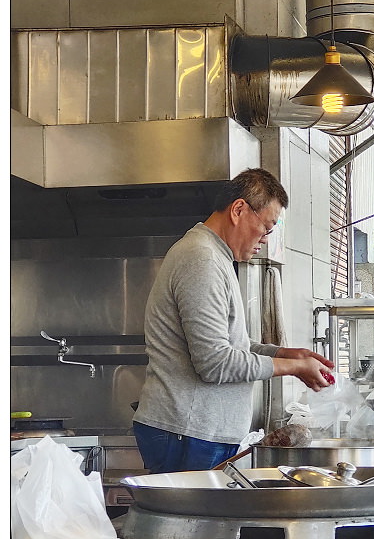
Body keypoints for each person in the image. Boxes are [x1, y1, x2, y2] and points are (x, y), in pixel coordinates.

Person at [133, 167, 334, 473]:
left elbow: (231, 345)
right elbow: (215, 362)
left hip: (197, 433)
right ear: (239, 210)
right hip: (187, 433)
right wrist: (293, 367)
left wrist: (283, 353)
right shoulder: (201, 258)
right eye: (266, 228)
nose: (265, 239)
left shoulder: (216, 257)